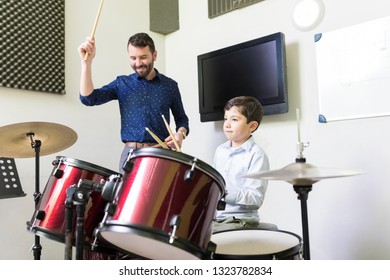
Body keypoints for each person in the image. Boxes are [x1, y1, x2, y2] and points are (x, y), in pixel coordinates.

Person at [77, 32, 189, 173]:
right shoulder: (122, 83)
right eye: (133, 58)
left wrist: (180, 134)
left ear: (154, 55)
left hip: (160, 154)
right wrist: (86, 63)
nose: (138, 63)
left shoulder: (170, 86)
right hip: (130, 155)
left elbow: (182, 119)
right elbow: (89, 98)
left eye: (143, 57)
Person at [212, 96, 273, 233]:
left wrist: (223, 192)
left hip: (241, 219)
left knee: (206, 239)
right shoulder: (220, 151)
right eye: (225, 118)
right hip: (217, 217)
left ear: (252, 126)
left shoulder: (257, 155)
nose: (227, 124)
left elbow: (255, 198)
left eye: (234, 119)